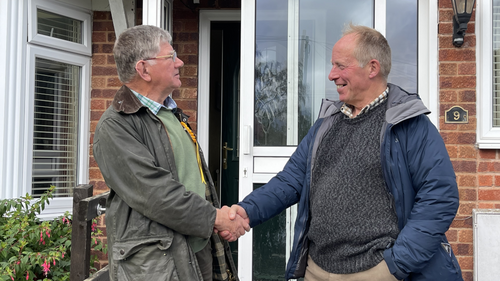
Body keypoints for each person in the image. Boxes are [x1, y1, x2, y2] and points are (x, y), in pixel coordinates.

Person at [225, 24, 462, 281]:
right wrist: (246, 212)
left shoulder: (409, 125)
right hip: (317, 268)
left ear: (372, 68)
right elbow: (290, 180)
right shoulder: (327, 123)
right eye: (332, 65)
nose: (331, 75)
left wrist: (397, 264)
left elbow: (440, 196)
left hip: (377, 271)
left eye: (340, 65)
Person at [93, 25, 249, 281]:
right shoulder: (115, 126)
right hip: (157, 264)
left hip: (197, 248)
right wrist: (216, 218)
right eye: (171, 56)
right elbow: (156, 194)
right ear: (143, 69)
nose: (180, 62)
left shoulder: (171, 114)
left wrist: (214, 221)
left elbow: (195, 182)